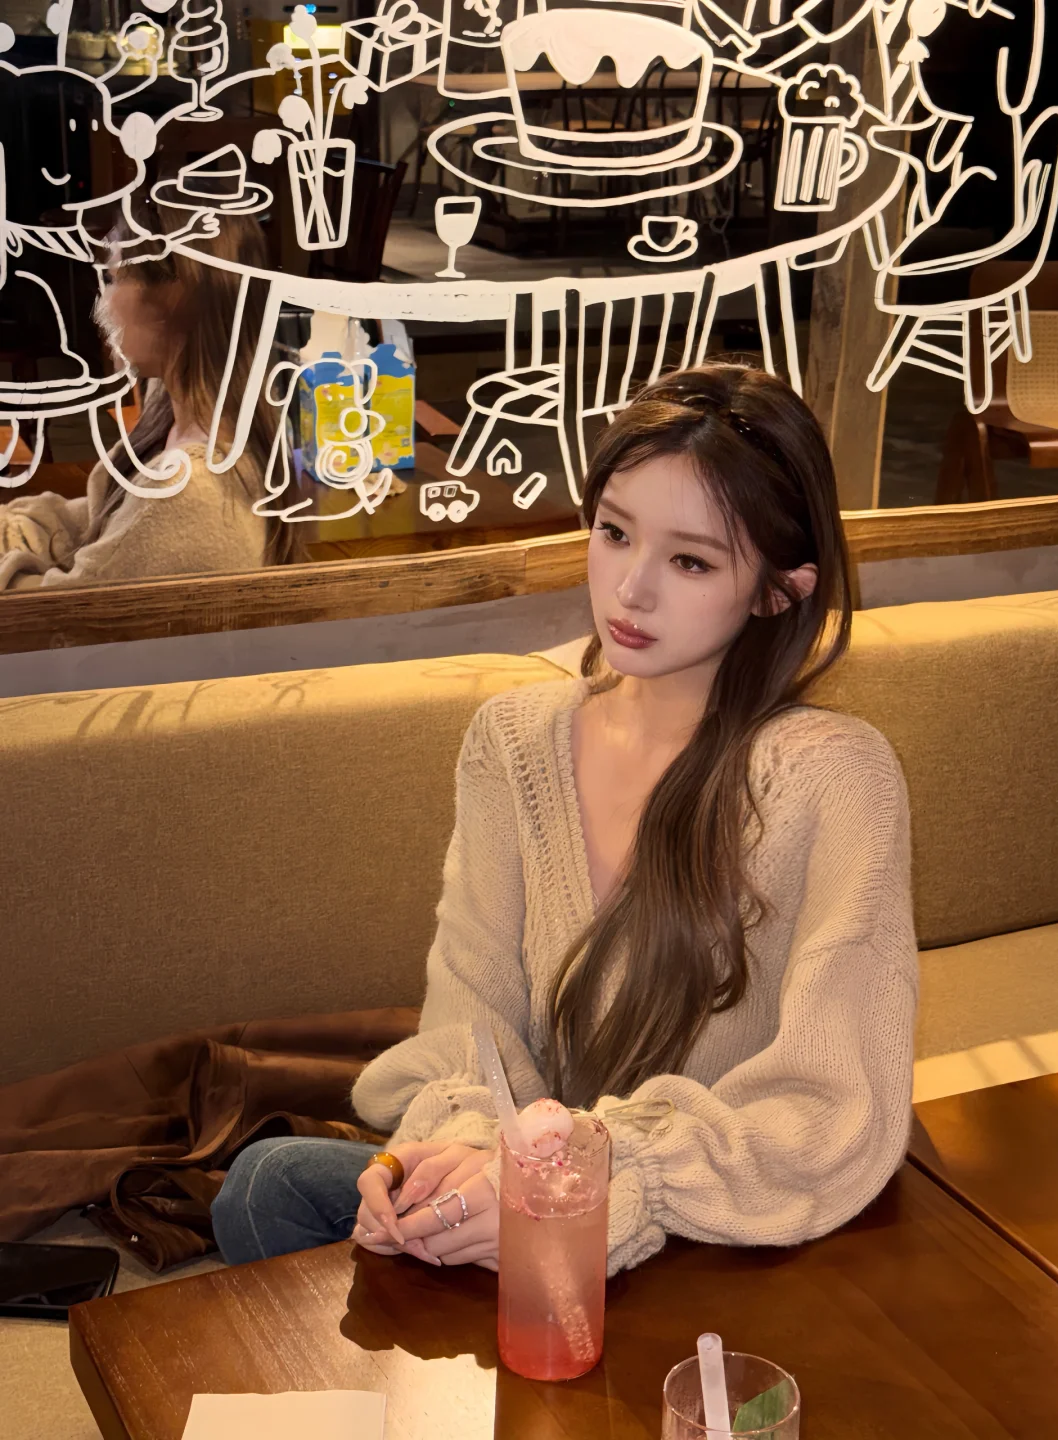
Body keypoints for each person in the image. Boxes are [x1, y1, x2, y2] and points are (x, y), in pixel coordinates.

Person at [211, 362, 918, 1275]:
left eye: (691, 560)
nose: (631, 590)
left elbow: (833, 1103)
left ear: (778, 589)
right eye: (615, 533)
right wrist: (473, 1157)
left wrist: (600, 1182)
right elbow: (469, 1022)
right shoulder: (514, 741)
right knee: (265, 1184)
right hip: (526, 1194)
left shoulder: (833, 776)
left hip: (706, 1212)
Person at [0, 212, 304, 590]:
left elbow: (63, 608)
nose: (100, 306)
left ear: (174, 296)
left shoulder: (191, 489)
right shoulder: (174, 414)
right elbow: (96, 518)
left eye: (113, 279)